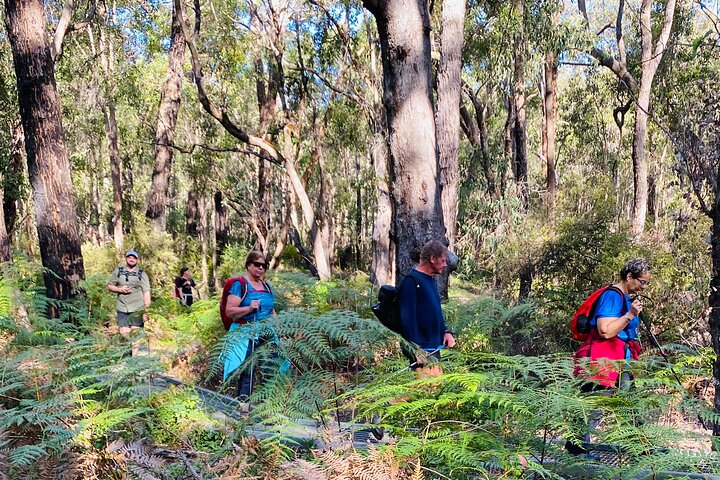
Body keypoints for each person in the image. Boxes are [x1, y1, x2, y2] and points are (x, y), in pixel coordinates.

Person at [567, 257, 652, 455]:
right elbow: (605, 330)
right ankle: (577, 452)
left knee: (629, 405)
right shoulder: (612, 296)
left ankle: (641, 451)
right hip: (602, 360)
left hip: (621, 359)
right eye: (642, 282)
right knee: (593, 408)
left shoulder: (625, 298)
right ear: (629, 276)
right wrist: (630, 315)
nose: (643, 287)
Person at [223, 251, 276, 400]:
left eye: (264, 266)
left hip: (267, 332)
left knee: (270, 368)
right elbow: (229, 311)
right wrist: (248, 308)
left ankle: (267, 405)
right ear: (248, 265)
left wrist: (278, 330)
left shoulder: (267, 286)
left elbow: (272, 311)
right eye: (257, 264)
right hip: (246, 333)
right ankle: (243, 405)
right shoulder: (240, 285)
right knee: (248, 370)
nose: (261, 268)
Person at [398, 240, 456, 370]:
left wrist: (445, 332)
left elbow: (435, 312)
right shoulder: (412, 281)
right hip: (422, 352)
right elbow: (407, 319)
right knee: (427, 384)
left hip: (434, 348)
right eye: (442, 260)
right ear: (432, 259)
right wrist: (415, 349)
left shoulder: (431, 280)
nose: (445, 265)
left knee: (438, 382)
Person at [107, 250, 151, 356]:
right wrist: (120, 289)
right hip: (122, 306)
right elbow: (110, 286)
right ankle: (131, 347)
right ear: (126, 259)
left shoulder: (142, 274)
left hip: (137, 307)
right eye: (129, 257)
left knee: (135, 332)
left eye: (134, 258)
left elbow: (146, 292)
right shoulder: (119, 271)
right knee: (124, 332)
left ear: (137, 260)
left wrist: (147, 311)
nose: (132, 259)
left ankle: (133, 357)